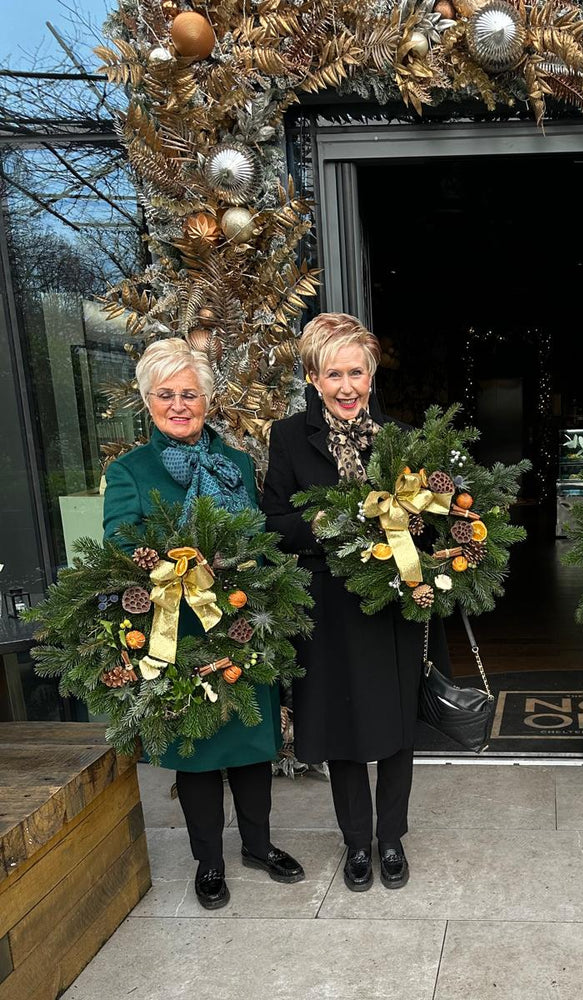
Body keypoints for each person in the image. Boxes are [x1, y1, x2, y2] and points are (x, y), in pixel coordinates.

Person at [103, 338, 303, 910]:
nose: (179, 404)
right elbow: (120, 542)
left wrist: (265, 595)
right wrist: (180, 558)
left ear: (208, 400)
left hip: (239, 617)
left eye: (189, 393)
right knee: (197, 750)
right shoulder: (130, 471)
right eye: (165, 394)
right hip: (176, 628)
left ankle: (259, 846)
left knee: (251, 742)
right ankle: (209, 862)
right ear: (147, 402)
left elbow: (258, 537)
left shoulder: (235, 462)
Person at [262, 313, 448, 892]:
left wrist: (424, 519)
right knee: (342, 729)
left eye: (357, 373)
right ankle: (356, 844)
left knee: (394, 731)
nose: (347, 387)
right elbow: (273, 522)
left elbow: (434, 527)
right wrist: (323, 523)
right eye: (333, 373)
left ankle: (390, 839)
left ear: (371, 375)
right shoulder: (290, 436)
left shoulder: (401, 438)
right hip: (329, 607)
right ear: (314, 378)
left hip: (392, 604)